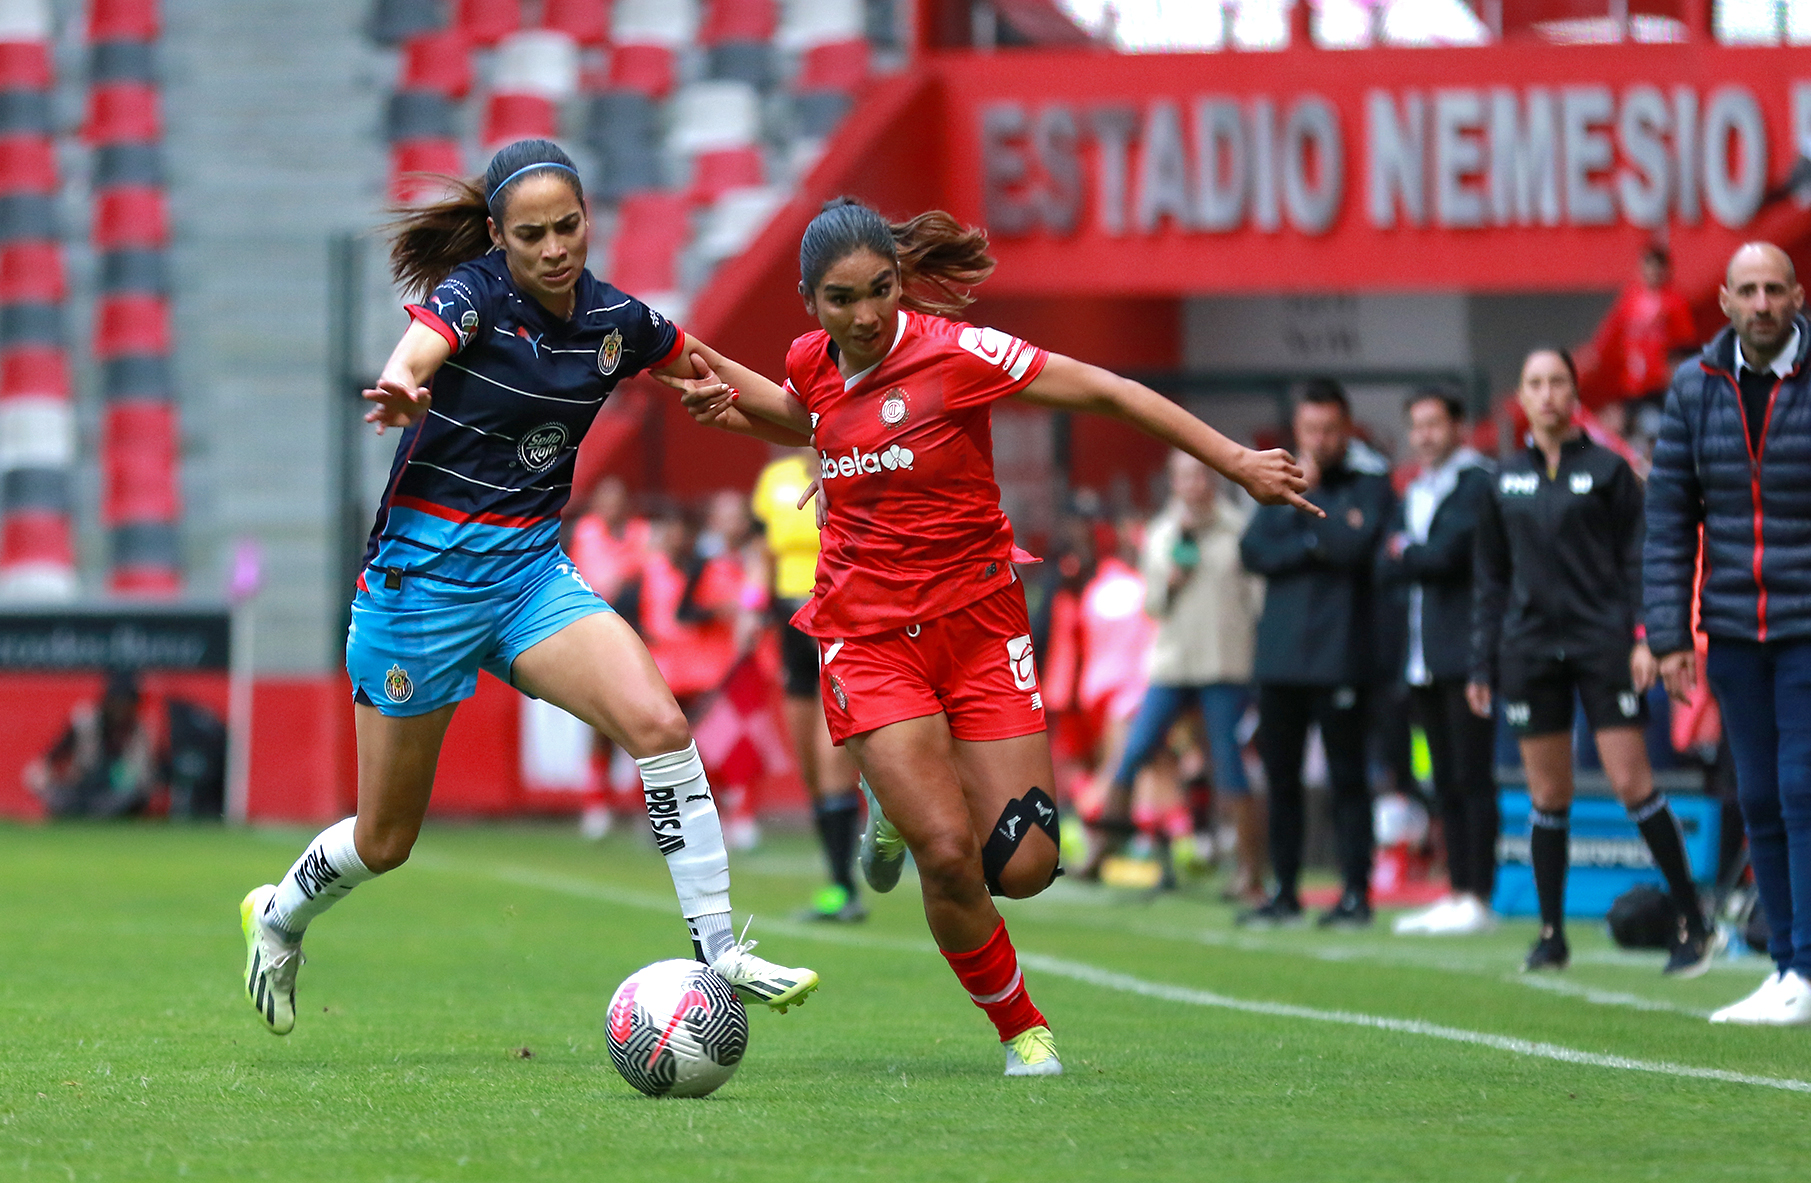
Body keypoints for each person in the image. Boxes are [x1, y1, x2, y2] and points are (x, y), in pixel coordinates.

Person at [660, 197, 1313, 1076]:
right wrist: (731, 413)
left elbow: (1108, 392)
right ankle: (1020, 1028)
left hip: (978, 625)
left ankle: (895, 804)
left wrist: (1235, 462)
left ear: (900, 281)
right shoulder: (809, 364)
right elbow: (809, 418)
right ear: (809, 301)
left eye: (880, 291)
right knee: (945, 853)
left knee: (1027, 864)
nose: (864, 316)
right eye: (842, 299)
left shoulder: (959, 354)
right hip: (866, 632)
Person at [235, 140, 819, 1037]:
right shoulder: (474, 296)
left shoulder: (619, 322)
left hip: (528, 580)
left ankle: (717, 949)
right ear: (499, 240)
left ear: (590, 220)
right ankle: (277, 917)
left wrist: (823, 428)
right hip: (418, 592)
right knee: (386, 840)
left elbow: (745, 392)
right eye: (533, 234)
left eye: (569, 227)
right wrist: (399, 383)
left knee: (661, 726)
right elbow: (421, 344)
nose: (555, 248)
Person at [1470, 345, 1715, 975]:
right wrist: (1481, 663)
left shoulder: (1609, 471)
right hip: (1527, 651)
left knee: (1634, 783)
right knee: (1549, 794)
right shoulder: (1501, 481)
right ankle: (1552, 936)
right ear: (1520, 400)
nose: (1547, 394)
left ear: (1575, 395)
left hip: (1603, 644)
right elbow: (1490, 581)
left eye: (1558, 382)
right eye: (1535, 383)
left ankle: (1692, 917)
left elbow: (1640, 559)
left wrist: (1646, 635)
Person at [1646, 242, 1811, 1023]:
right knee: (1757, 795)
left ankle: (1803, 965)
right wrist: (1668, 631)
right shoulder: (1693, 386)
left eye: (1773, 288)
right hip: (1735, 629)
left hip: (1806, 622)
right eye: (1746, 289)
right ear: (1722, 300)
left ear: (1795, 294)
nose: (1760, 302)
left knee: (1801, 785)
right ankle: (1786, 966)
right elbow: (1670, 519)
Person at [1237, 379, 1395, 929]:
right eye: (1311, 430)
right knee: (1281, 780)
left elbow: (1358, 548)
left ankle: (1356, 893)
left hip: (1343, 655)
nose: (1320, 439)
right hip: (1280, 657)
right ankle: (1285, 891)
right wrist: (1316, 538)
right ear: (1297, 430)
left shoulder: (1372, 483)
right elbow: (1252, 551)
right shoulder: (1276, 481)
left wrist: (1310, 516)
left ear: (1347, 428)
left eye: (1329, 429)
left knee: (1349, 778)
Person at [1083, 450, 1264, 898]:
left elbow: (1255, 600)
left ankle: (1249, 871)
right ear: (1174, 482)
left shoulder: (1237, 530)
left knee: (1228, 760)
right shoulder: (1163, 533)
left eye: (1200, 474)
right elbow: (1153, 606)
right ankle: (1105, 846)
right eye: (1184, 476)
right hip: (1173, 662)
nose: (1193, 484)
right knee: (1136, 748)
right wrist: (1173, 577)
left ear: (1213, 479)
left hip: (1223, 662)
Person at [1378, 392, 1499, 936]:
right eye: (1417, 426)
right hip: (1421, 656)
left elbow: (1447, 556)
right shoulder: (1415, 491)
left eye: (1434, 424)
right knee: (1444, 776)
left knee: (1472, 775)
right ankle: (1456, 890)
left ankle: (1480, 893)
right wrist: (1408, 553)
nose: (1425, 435)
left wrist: (1408, 552)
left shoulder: (1477, 483)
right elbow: (1391, 559)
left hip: (1464, 651)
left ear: (1458, 426)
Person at [751, 447, 867, 920]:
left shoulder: (847, 470)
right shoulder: (774, 478)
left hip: (833, 621)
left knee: (832, 757)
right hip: (788, 628)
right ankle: (837, 883)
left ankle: (845, 890)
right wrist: (752, 604)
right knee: (810, 769)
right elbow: (763, 550)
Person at [24, 669, 161, 819]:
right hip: (81, 789)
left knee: (133, 796)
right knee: (54, 792)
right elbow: (51, 758)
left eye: (126, 703)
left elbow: (147, 777)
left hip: (115, 793)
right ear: (107, 702)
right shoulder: (86, 723)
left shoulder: (140, 731)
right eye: (116, 702)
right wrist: (52, 776)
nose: (120, 709)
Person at [1585, 243, 1699, 407]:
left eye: (1657, 267)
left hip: (1661, 383)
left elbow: (1685, 341)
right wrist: (1597, 352)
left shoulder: (1675, 301)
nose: (1653, 272)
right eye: (1649, 266)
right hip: (1632, 380)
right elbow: (1613, 328)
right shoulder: (1630, 298)